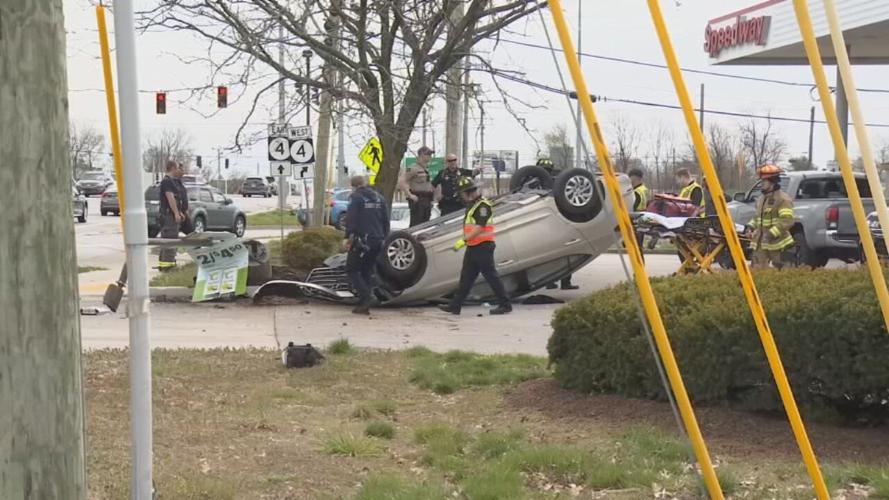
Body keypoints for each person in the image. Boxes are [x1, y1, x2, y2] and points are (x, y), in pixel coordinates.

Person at [438, 177, 512, 315]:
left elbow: (480, 227)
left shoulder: (482, 206)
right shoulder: (473, 205)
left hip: (483, 246)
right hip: (474, 246)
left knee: (490, 275)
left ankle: (505, 304)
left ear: (468, 192)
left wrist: (463, 241)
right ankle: (456, 305)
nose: (461, 197)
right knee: (466, 277)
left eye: (462, 194)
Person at [344, 175, 390, 315]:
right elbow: (386, 220)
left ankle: (366, 296)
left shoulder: (356, 198)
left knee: (352, 269)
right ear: (365, 184)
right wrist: (384, 236)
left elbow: (351, 219)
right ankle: (364, 305)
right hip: (378, 240)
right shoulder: (379, 198)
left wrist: (348, 237)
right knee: (366, 270)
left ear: (353, 186)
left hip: (362, 240)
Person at [747, 164, 795, 269]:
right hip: (761, 244)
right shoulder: (762, 199)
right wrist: (750, 227)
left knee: (785, 276)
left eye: (764, 181)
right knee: (757, 273)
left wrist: (770, 234)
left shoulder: (783, 199)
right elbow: (757, 217)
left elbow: (787, 221)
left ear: (772, 182)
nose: (761, 184)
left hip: (779, 245)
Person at [158, 160, 191, 271]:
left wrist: (180, 212)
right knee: (170, 241)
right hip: (168, 216)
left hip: (172, 215)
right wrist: (176, 213)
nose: (179, 170)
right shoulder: (167, 182)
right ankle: (167, 267)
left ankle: (166, 265)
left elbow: (177, 200)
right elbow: (170, 198)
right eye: (177, 168)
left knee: (169, 241)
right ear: (172, 168)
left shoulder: (172, 182)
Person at [399, 145, 435, 226]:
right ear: (421, 154)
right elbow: (402, 181)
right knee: (416, 224)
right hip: (418, 199)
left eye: (430, 154)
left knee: (425, 224)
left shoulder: (425, 169)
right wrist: (410, 195)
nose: (430, 156)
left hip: (426, 200)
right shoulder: (413, 168)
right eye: (428, 154)